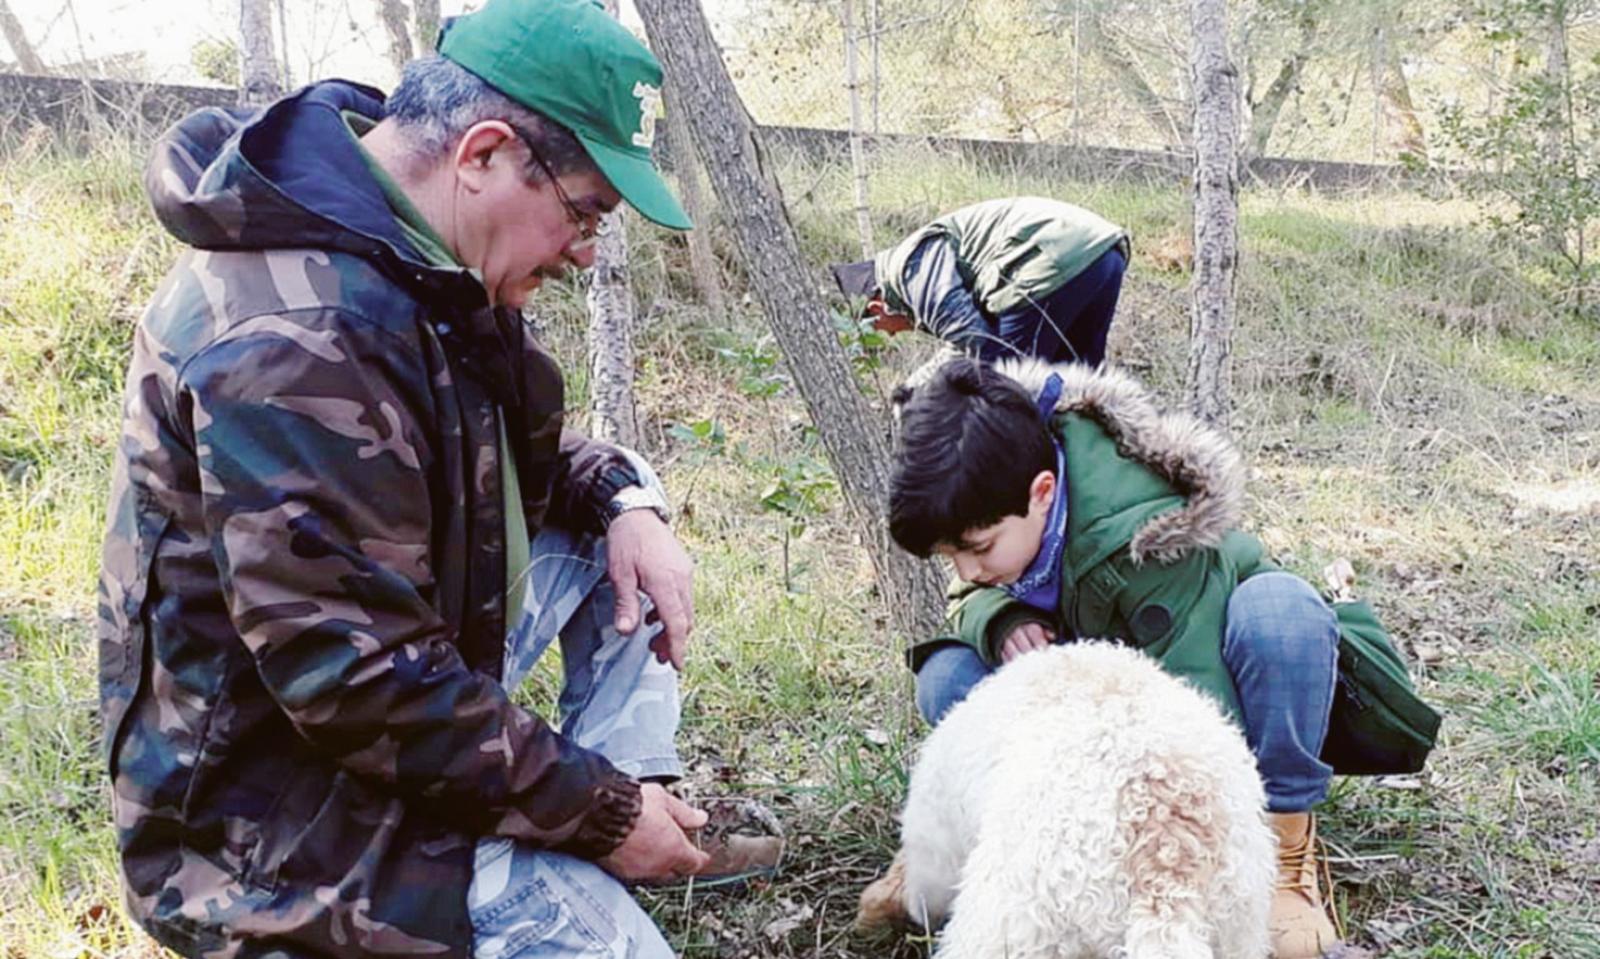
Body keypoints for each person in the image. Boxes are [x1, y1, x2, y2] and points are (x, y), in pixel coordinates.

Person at [96, 1, 777, 956]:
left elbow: (516, 464)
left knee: (615, 509)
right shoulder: (300, 339)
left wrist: (630, 501)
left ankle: (642, 814)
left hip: (374, 714)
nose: (586, 252)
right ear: (485, 154)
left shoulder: (411, 260)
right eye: (585, 212)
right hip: (270, 836)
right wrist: (602, 815)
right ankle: (613, 836)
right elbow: (359, 680)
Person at [884, 356, 1441, 959]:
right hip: (1087, 710)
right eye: (950, 558)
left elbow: (1201, 706)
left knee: (1282, 613)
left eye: (976, 549)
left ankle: (1281, 855)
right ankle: (1020, 841)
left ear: (1042, 494)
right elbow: (970, 591)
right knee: (948, 678)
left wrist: (1181, 839)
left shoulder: (1149, 532)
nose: (968, 570)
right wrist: (1002, 617)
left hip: (1205, 694)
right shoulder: (995, 499)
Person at [830, 197, 1129, 366]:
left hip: (1047, 260)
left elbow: (980, 342)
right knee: (1077, 383)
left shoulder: (908, 269)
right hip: (1102, 250)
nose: (891, 336)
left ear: (876, 306)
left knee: (1011, 382)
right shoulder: (913, 268)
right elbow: (966, 340)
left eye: (879, 329)